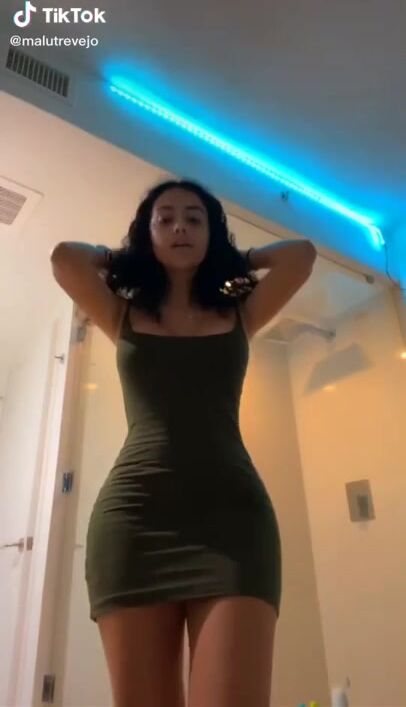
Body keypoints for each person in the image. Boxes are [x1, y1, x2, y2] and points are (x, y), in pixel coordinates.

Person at [50, 178, 316, 707]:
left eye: (195, 219)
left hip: (234, 525)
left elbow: (301, 255)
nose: (179, 227)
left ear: (211, 233)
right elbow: (65, 259)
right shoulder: (123, 315)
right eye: (165, 218)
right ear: (147, 232)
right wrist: (125, 257)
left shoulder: (240, 314)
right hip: (135, 521)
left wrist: (234, 257)